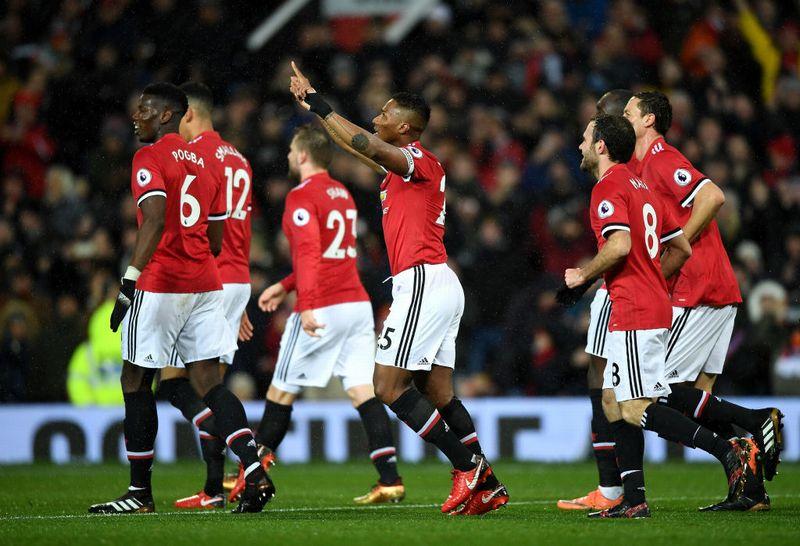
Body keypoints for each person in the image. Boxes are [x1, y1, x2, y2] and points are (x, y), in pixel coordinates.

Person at [288, 61, 508, 516]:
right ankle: (487, 484)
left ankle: (469, 467)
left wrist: (319, 103)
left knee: (386, 387)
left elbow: (364, 142)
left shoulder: (416, 160)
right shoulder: (401, 169)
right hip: (437, 281)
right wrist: (315, 107)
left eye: (385, 113)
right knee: (439, 394)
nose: (376, 118)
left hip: (422, 281)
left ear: (405, 127)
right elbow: (353, 144)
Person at [87, 83, 273, 515]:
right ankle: (253, 469)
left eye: (145, 109)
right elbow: (216, 238)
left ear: (168, 115)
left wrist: (128, 281)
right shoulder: (208, 164)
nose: (137, 116)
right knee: (209, 383)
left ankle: (139, 493)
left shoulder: (149, 157)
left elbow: (153, 219)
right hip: (205, 283)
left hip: (160, 283)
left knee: (136, 380)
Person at [566, 114, 756, 519]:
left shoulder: (608, 188)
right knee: (613, 400)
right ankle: (633, 499)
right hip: (648, 304)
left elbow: (619, 245)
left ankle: (728, 449)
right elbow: (681, 248)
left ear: (601, 146)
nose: (580, 146)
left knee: (635, 407)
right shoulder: (643, 187)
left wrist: (583, 275)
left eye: (584, 139)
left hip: (635, 309)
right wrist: (653, 278)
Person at [229, 125, 404, 505]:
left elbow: (309, 254)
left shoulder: (301, 195)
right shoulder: (342, 194)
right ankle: (390, 478)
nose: (289, 156)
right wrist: (285, 285)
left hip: (323, 304)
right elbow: (331, 255)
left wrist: (305, 303)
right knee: (362, 390)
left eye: (292, 150)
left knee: (281, 390)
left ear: (304, 155)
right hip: (355, 305)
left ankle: (250, 470)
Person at [624, 91, 781, 510]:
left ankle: (755, 419)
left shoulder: (661, 159)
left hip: (696, 288)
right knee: (696, 401)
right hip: (715, 289)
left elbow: (713, 196)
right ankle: (750, 489)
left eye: (628, 112)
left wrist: (680, 244)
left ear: (649, 119)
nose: (624, 118)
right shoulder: (640, 167)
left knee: (655, 392)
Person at [151, 82, 256, 510]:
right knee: (212, 385)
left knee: (175, 383)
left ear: (189, 114)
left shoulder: (192, 157)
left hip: (204, 276)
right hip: (237, 277)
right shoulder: (240, 159)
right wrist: (240, 296)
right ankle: (215, 488)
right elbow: (241, 227)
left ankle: (238, 463)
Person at [557, 89, 633, 511]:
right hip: (632, 286)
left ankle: (613, 489)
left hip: (627, 290)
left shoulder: (618, 177)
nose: (593, 120)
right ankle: (618, 488)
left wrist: (585, 274)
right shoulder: (635, 173)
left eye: (601, 114)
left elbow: (623, 243)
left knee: (614, 388)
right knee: (634, 390)